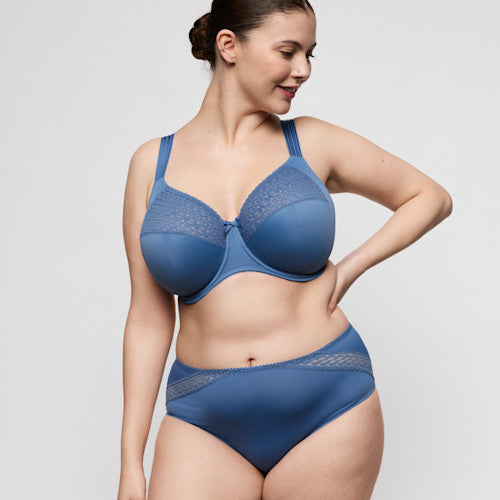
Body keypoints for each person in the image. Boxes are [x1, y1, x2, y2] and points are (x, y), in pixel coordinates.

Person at [118, 1, 453, 499]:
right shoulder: (152, 164)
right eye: (288, 51)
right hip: (203, 418)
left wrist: (348, 270)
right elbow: (148, 318)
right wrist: (130, 461)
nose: (304, 70)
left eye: (309, 54)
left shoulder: (312, 142)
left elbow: (430, 197)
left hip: (328, 406)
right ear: (229, 46)